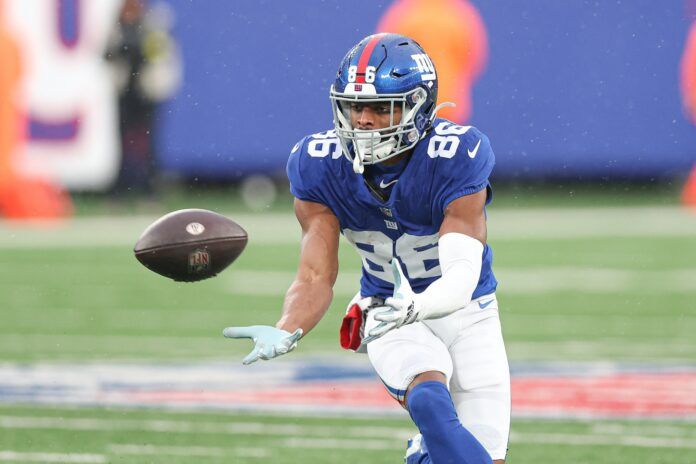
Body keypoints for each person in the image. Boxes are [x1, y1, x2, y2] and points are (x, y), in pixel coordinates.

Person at [224, 33, 510, 464]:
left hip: (466, 311)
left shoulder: (455, 154)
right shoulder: (318, 162)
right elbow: (315, 275)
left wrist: (420, 304)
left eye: (381, 107)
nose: (364, 120)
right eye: (356, 106)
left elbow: (461, 274)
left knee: (474, 452)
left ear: (419, 105)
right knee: (430, 402)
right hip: (386, 308)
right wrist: (287, 326)